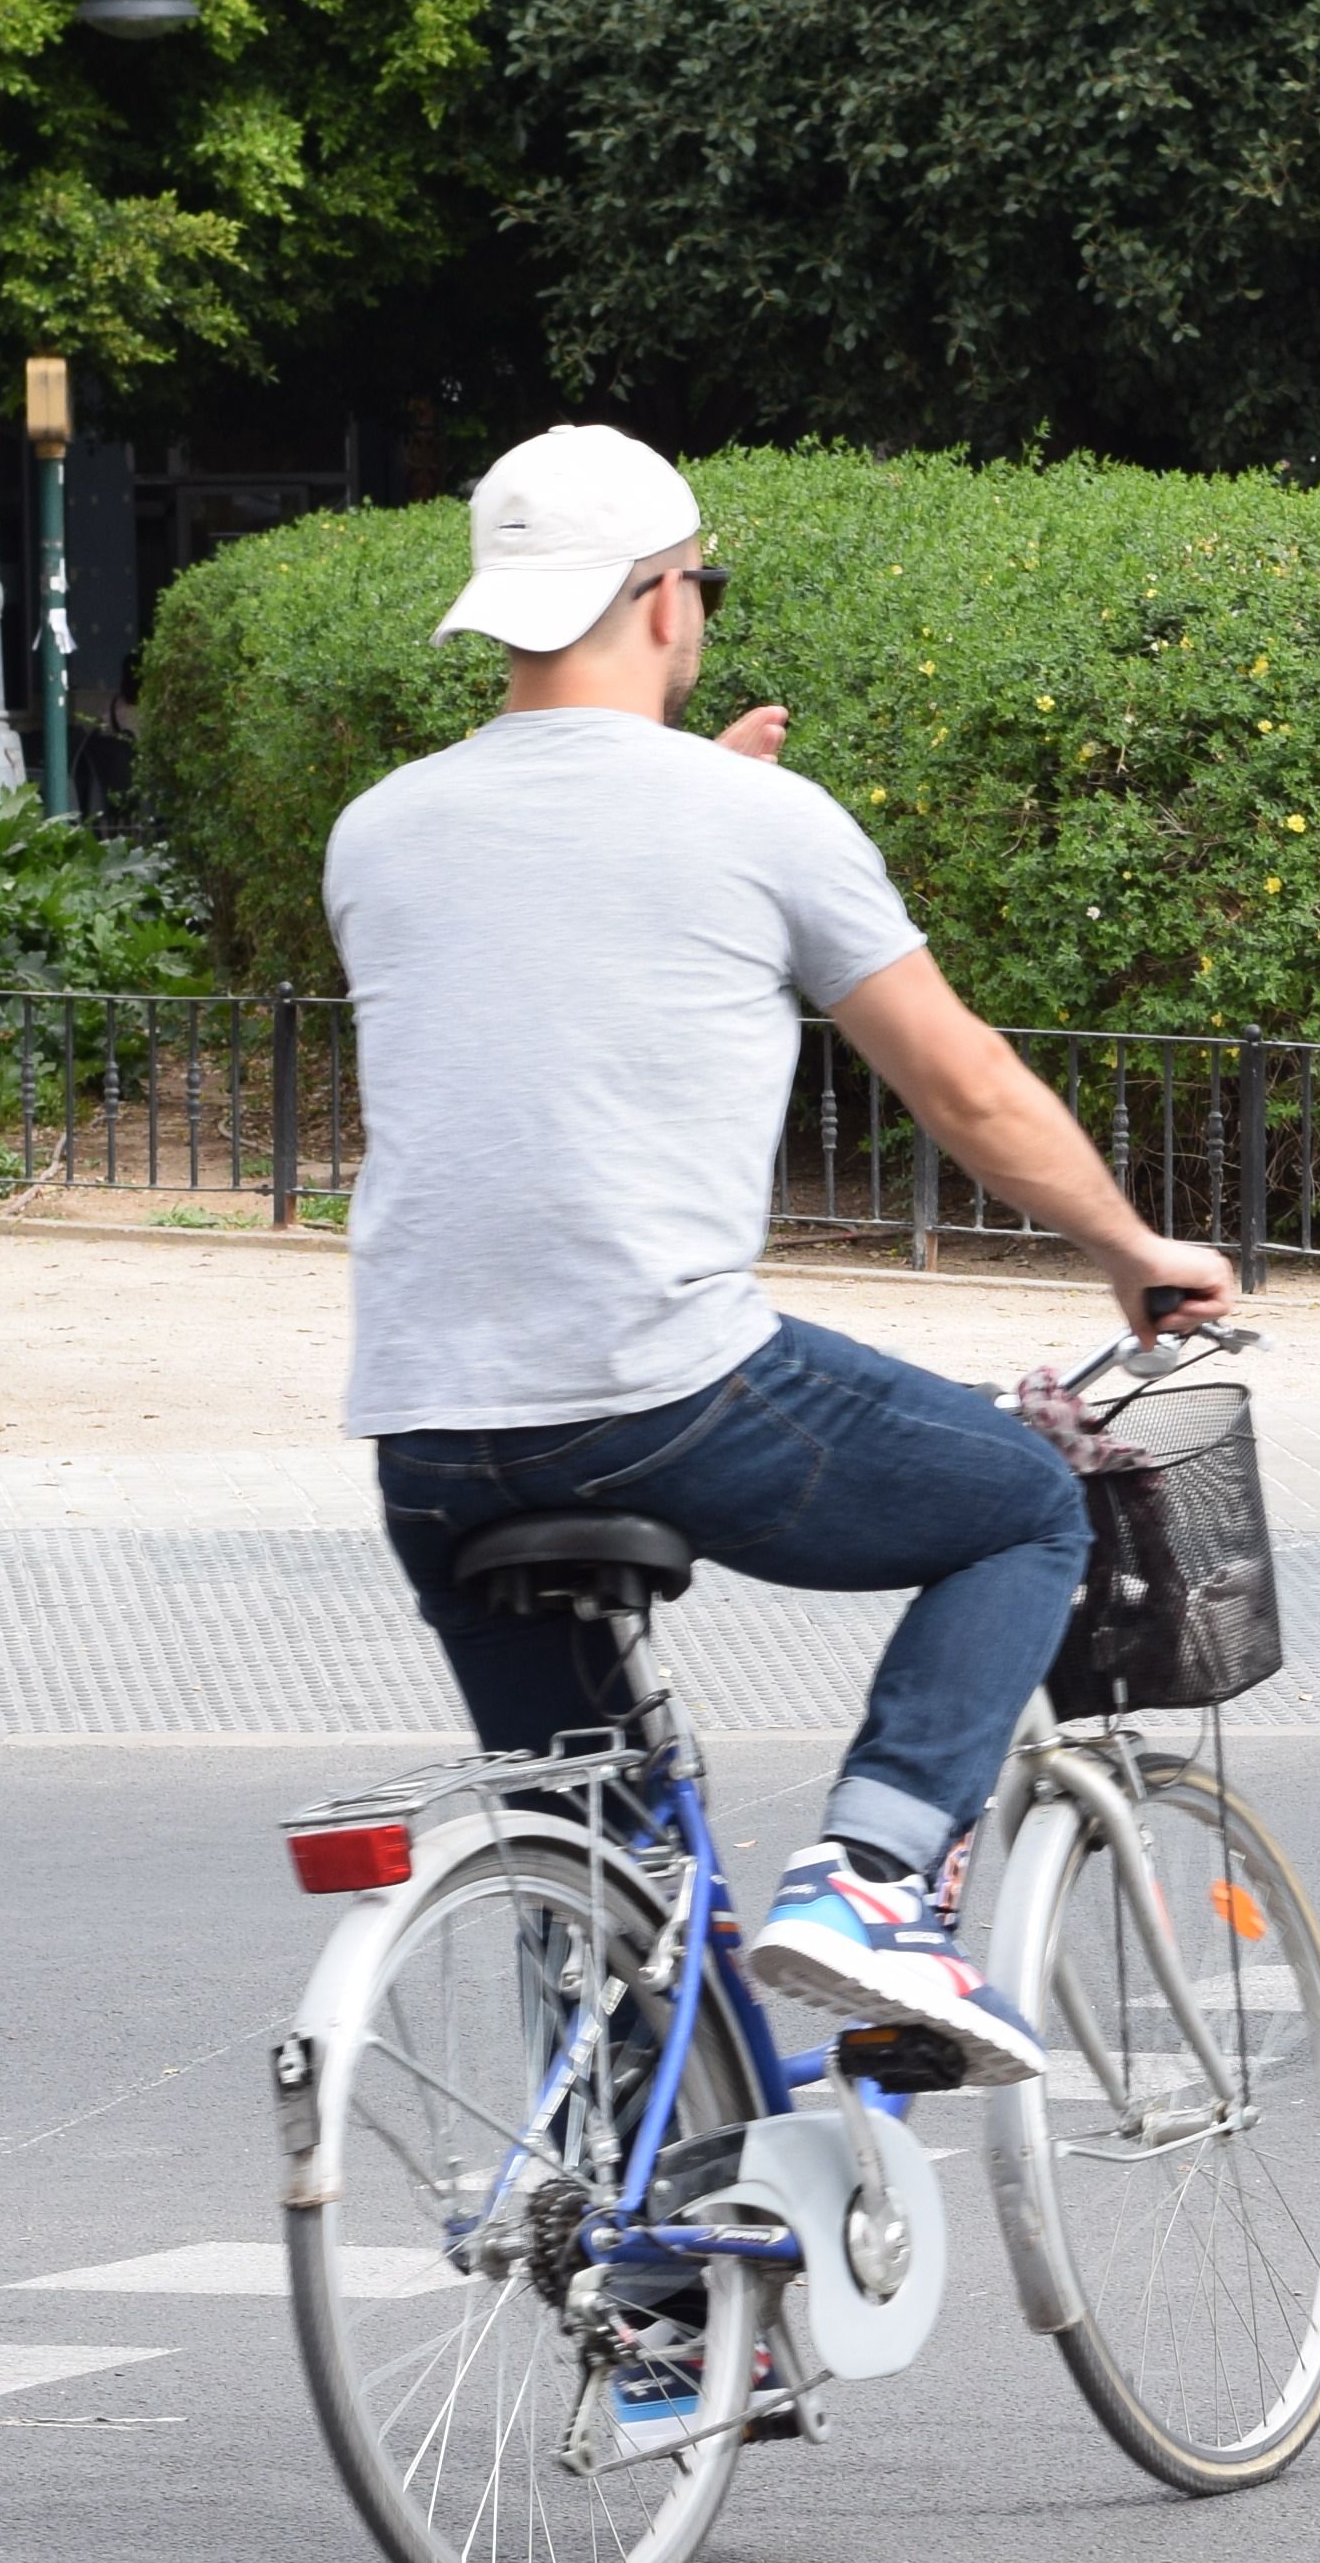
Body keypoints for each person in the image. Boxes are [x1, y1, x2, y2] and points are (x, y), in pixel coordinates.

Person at [329, 424, 1241, 2079]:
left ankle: (668, 2291)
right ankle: (877, 1879)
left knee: (607, 1857)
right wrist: (1126, 1242)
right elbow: (965, 1086)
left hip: (428, 1428)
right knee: (1025, 1506)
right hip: (654, 1386)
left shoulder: (379, 828)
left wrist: (710, 812)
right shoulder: (763, 823)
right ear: (667, 601)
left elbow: (558, 934)